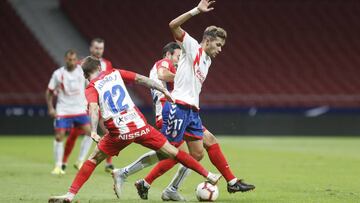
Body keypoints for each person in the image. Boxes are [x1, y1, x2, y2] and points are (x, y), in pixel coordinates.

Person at [113, 0, 255, 200]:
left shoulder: (207, 60)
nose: (220, 49)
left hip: (191, 111)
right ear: (207, 40)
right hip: (177, 108)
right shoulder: (192, 47)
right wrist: (197, 10)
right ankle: (124, 173)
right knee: (167, 152)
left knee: (200, 151)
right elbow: (173, 25)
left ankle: (231, 182)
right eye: (218, 44)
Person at [48, 56, 221, 203]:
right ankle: (209, 175)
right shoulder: (115, 72)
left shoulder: (91, 87)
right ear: (100, 67)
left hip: (118, 132)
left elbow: (93, 108)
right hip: (140, 126)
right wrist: (162, 89)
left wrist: (93, 130)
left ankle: (70, 195)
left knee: (93, 160)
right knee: (174, 152)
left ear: (85, 74)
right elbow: (141, 79)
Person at [63, 38, 115, 172]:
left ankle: (108, 163)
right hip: (85, 102)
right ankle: (63, 162)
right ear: (91, 48)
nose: (98, 51)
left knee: (109, 131)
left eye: (101, 48)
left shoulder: (107, 64)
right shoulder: (81, 64)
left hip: (102, 103)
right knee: (76, 132)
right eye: (96, 48)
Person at [45, 50, 91, 175]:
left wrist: (90, 103)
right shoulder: (58, 74)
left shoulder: (82, 72)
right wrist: (50, 108)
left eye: (74, 59)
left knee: (90, 133)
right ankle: (58, 166)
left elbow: (90, 86)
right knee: (59, 136)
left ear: (77, 60)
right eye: (69, 59)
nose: (72, 62)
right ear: (65, 59)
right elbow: (49, 92)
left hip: (79, 110)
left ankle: (80, 161)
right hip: (63, 111)